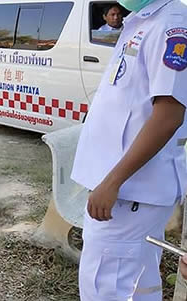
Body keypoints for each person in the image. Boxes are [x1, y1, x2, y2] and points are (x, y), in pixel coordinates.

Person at [71, 0, 187, 300]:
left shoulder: (171, 23)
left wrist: (112, 182)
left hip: (130, 192)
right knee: (122, 286)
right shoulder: (141, 20)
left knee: (110, 289)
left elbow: (169, 115)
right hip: (120, 192)